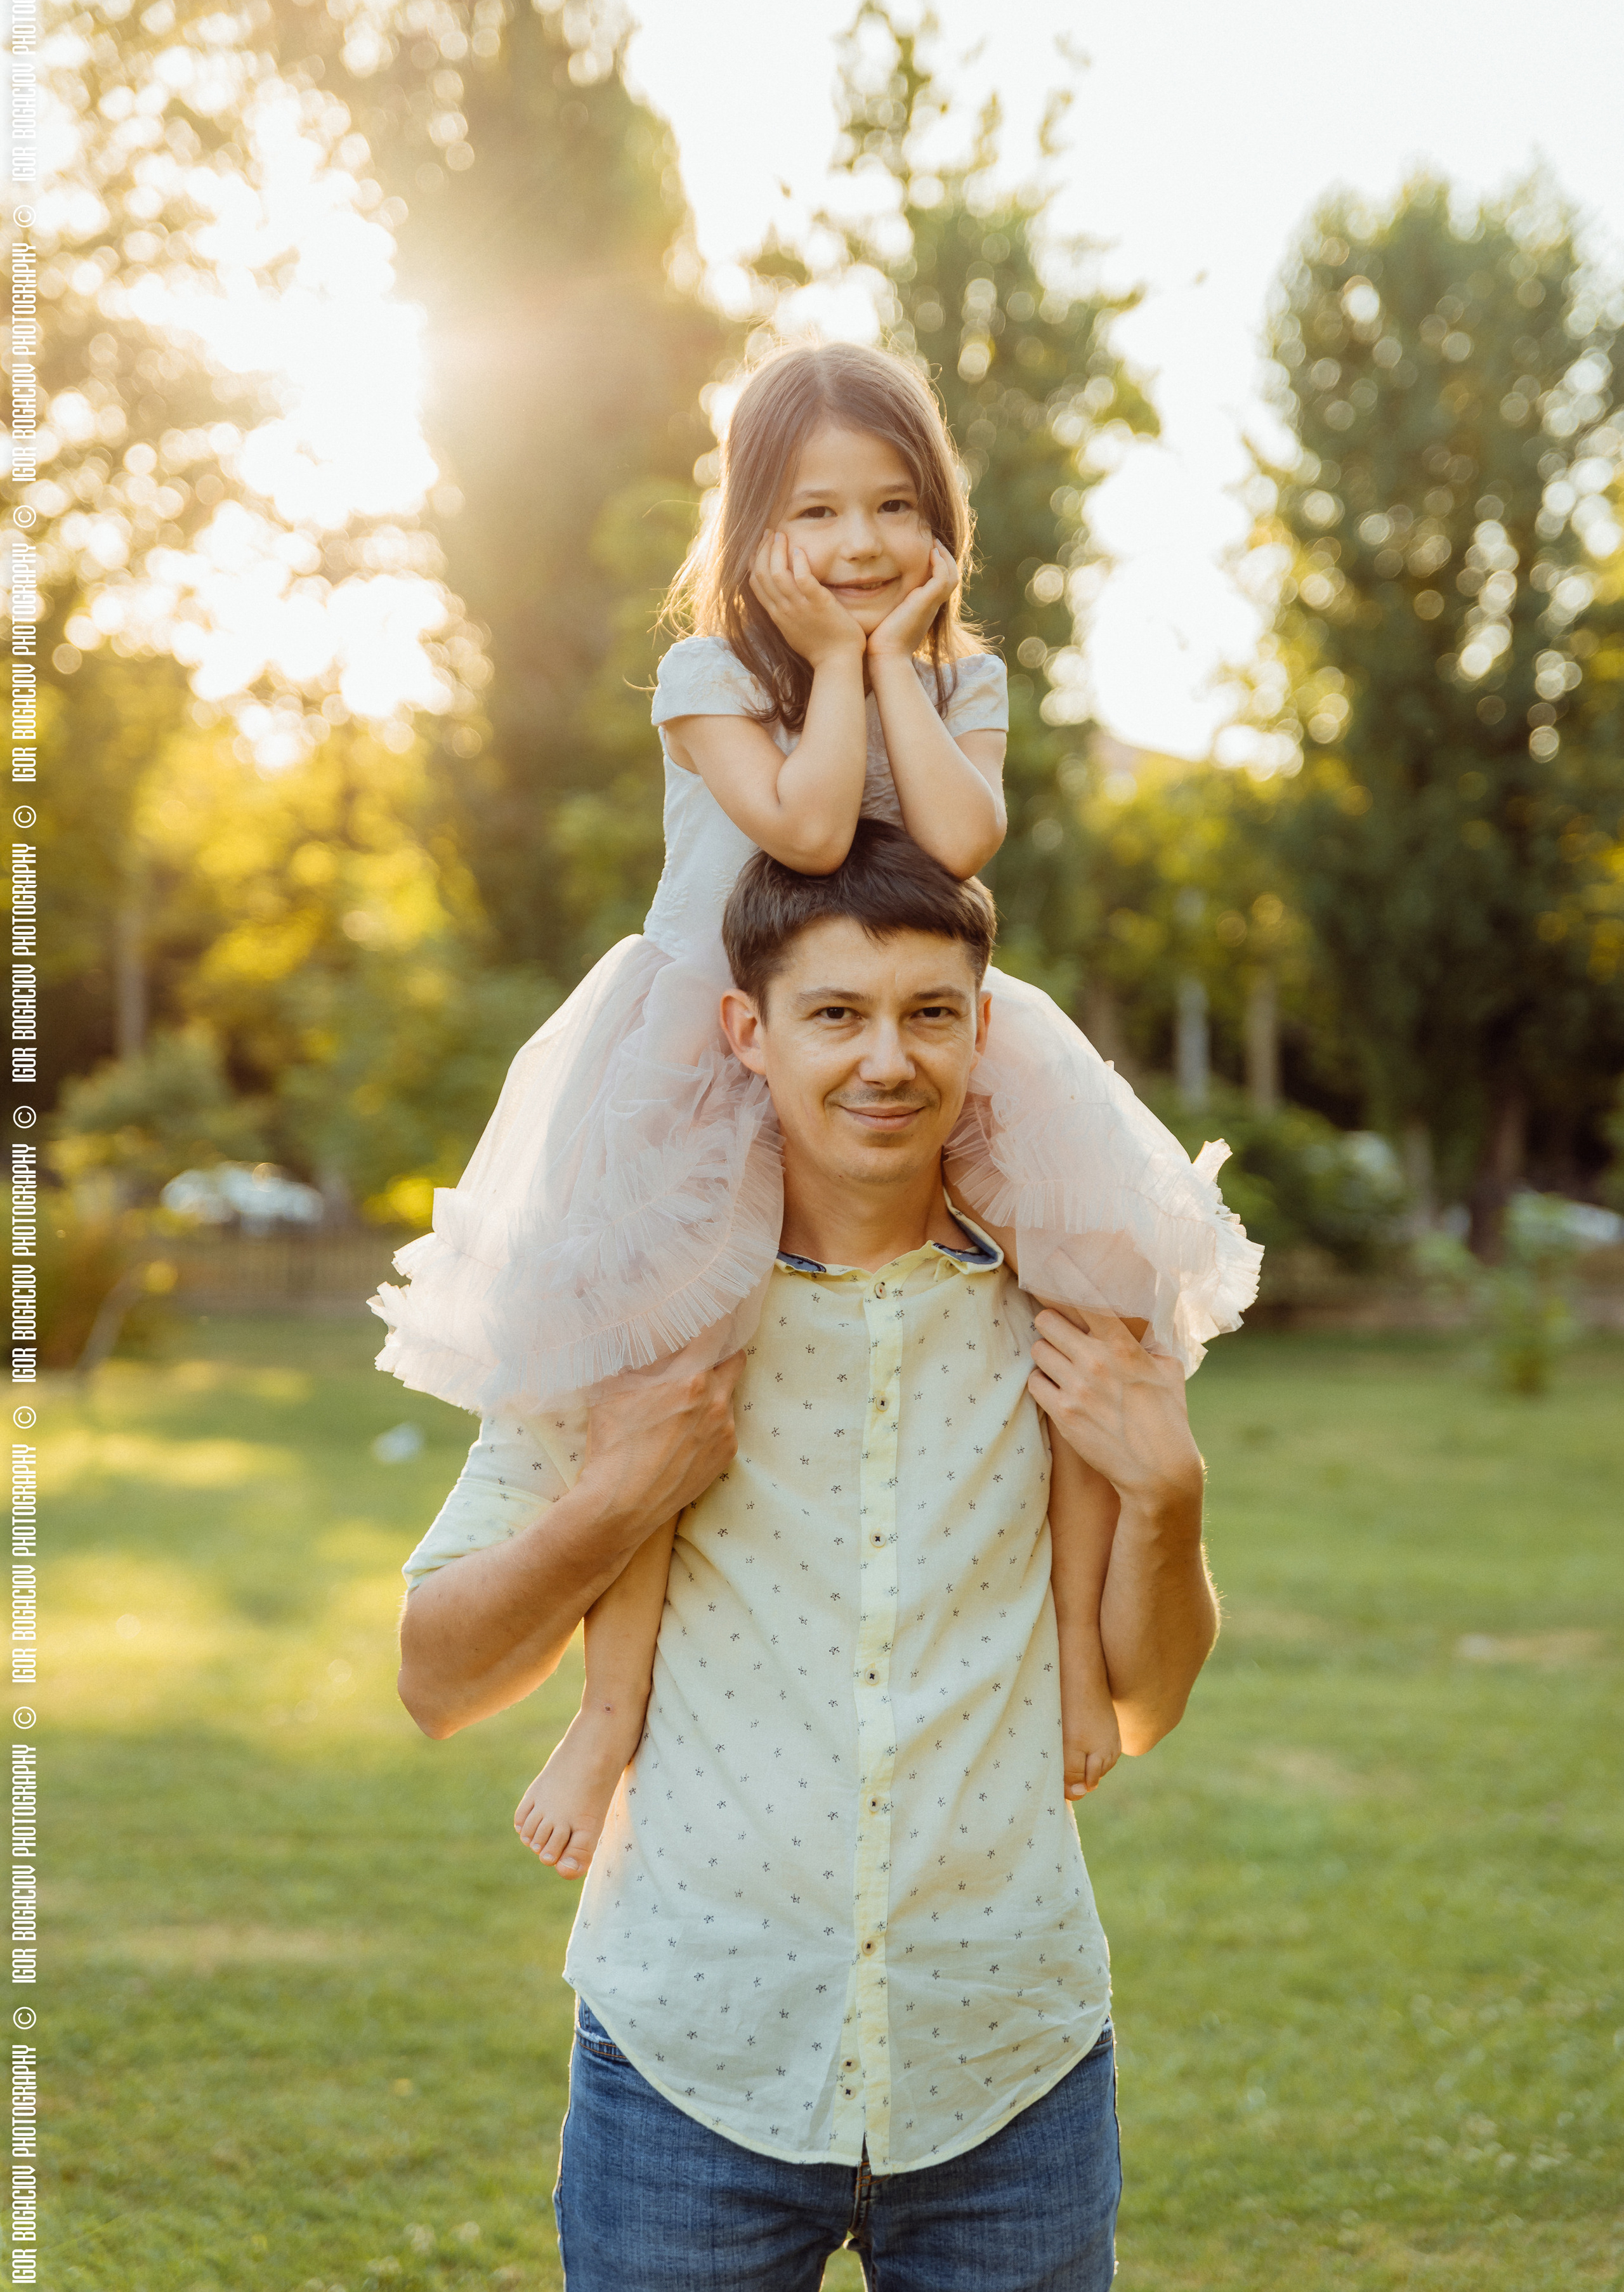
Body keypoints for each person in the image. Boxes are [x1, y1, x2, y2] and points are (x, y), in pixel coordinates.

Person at [373, 339, 1257, 1877]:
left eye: (895, 506)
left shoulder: (961, 678)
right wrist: (836, 667)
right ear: (750, 532)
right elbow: (800, 822)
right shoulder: (709, 676)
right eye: (815, 511)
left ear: (941, 525)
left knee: (1077, 1311)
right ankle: (607, 1712)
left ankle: (1071, 1653)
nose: (858, 542)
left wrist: (900, 663)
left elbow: (959, 838)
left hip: (890, 1014)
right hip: (709, 1041)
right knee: (672, 1382)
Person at [396, 826, 1221, 2291]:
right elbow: (435, 1679)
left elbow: (1140, 1705)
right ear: (747, 1031)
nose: (884, 1060)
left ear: (982, 1028)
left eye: (928, 1013)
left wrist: (1167, 1496)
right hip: (686, 2067)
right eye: (834, 1013)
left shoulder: (1070, 1315)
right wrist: (621, 1494)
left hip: (1008, 2060)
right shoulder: (633, 1317)